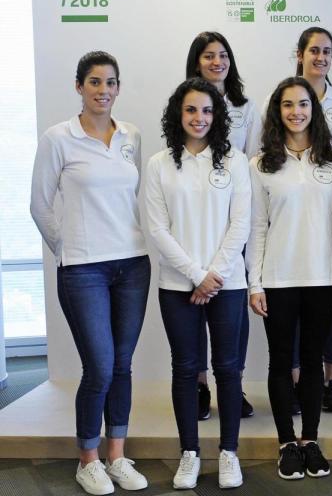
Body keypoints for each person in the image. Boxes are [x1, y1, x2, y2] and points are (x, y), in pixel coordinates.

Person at [30, 51, 151, 495]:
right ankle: (88, 460)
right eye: (95, 82)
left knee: (122, 365)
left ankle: (116, 455)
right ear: (79, 86)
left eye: (111, 82)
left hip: (133, 264)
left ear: (118, 87)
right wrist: (67, 249)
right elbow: (39, 205)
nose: (104, 90)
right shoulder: (58, 138)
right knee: (99, 366)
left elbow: (133, 197)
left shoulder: (131, 135)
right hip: (83, 270)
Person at [144, 78, 250, 489]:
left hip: (227, 283)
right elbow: (157, 229)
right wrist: (196, 275)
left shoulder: (235, 161)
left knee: (228, 368)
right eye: (191, 110)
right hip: (178, 285)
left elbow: (240, 224)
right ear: (178, 114)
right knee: (186, 369)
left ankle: (228, 453)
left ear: (217, 115)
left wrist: (213, 275)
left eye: (207, 110)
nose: (199, 118)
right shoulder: (159, 165)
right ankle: (189, 452)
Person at [246, 76, 332, 480]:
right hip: (277, 278)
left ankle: (310, 440)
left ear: (315, 109)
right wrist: (255, 283)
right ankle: (286, 444)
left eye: (303, 104)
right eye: (288, 104)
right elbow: (257, 228)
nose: (296, 111)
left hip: (322, 277)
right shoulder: (260, 165)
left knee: (312, 362)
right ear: (277, 111)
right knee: (280, 362)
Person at [185, 31, 258, 420]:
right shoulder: (186, 102)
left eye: (223, 55)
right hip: (196, 223)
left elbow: (255, 158)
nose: (217, 62)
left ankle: (234, 384)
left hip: (235, 218)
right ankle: (199, 385)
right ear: (196, 62)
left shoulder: (245, 107)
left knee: (233, 313)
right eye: (209, 55)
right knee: (194, 306)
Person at [290, 26, 332, 413]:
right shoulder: (281, 96)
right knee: (293, 304)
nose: (320, 57)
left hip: (331, 209)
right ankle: (298, 379)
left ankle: (330, 381)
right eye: (314, 50)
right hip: (292, 213)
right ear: (299, 54)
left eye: (327, 51)